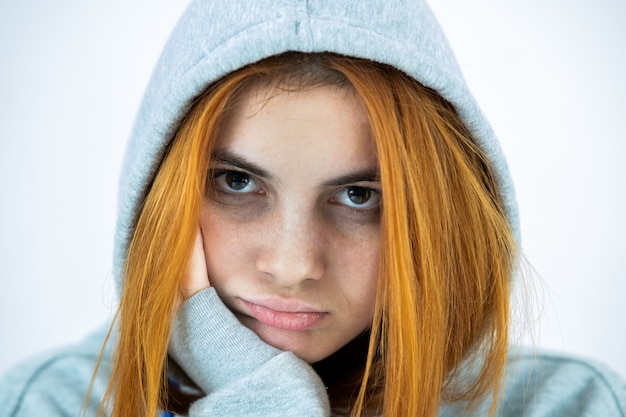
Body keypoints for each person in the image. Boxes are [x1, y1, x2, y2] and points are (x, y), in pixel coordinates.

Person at [1, 0, 625, 416]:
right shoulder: (51, 402)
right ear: (160, 193)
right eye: (238, 183)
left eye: (359, 196)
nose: (294, 266)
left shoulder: (568, 405)